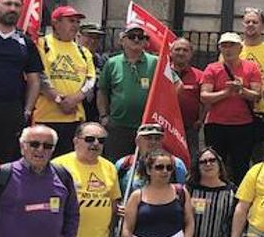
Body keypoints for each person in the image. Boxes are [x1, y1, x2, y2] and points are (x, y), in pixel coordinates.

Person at [200, 32, 264, 183]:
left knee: (241, 166)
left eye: (232, 46)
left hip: (243, 125)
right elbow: (204, 97)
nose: (228, 50)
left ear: (240, 48)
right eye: (224, 46)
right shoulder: (212, 68)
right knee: (214, 165)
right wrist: (226, 92)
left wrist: (241, 90)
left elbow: (257, 95)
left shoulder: (251, 68)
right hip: (216, 124)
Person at [34, 5, 95, 154]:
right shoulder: (41, 44)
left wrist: (75, 99)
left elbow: (90, 80)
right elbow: (37, 74)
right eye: (71, 21)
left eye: (77, 22)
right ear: (55, 22)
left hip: (74, 119)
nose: (75, 25)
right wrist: (58, 99)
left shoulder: (83, 51)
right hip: (45, 117)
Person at [0, 0, 43, 164]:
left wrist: (27, 110)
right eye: (7, 4)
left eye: (17, 5)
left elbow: (34, 80)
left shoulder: (26, 43)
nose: (12, 8)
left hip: (12, 111)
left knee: (9, 163)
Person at [98, 23, 155, 160]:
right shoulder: (112, 63)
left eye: (140, 37)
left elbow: (175, 87)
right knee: (117, 165)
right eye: (131, 36)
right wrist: (104, 116)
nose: (136, 40)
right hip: (118, 127)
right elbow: (102, 91)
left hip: (146, 127)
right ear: (122, 40)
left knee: (146, 165)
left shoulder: (155, 62)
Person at [237, 7, 264, 151]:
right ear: (242, 25)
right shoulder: (234, 50)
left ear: (263, 26)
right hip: (238, 110)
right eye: (247, 21)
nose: (250, 24)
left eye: (255, 22)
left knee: (261, 155)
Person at [169, 38, 204, 162]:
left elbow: (204, 101)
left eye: (185, 50)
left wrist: (200, 119)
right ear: (170, 52)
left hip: (190, 128)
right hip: (167, 127)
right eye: (177, 49)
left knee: (191, 160)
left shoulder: (199, 75)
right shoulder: (162, 73)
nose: (181, 53)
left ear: (191, 54)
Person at [78, 22, 107, 123]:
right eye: (89, 36)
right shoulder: (71, 57)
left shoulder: (102, 61)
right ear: (79, 36)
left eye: (97, 38)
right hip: (74, 110)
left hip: (95, 114)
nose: (93, 41)